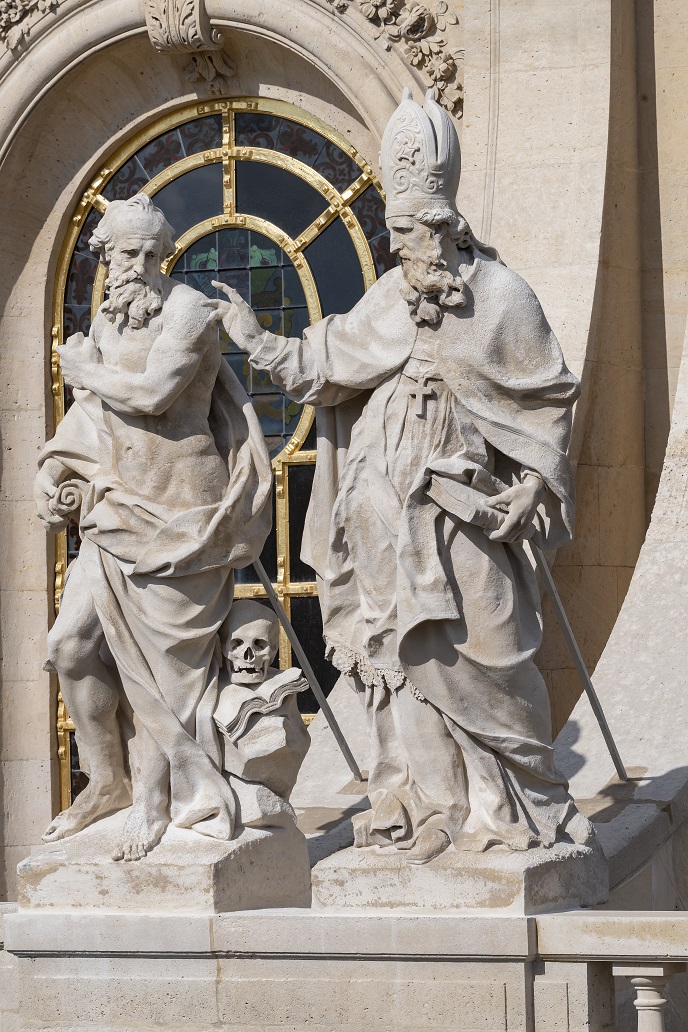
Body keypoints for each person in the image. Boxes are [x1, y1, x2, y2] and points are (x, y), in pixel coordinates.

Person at [205, 88, 594, 864]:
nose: (399, 246)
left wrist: (534, 488)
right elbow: (323, 363)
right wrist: (253, 335)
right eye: (395, 232)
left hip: (465, 519)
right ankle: (431, 808)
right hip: (384, 521)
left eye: (410, 231)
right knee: (401, 669)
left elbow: (548, 402)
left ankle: (513, 804)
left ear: (445, 229)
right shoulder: (392, 297)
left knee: (489, 657)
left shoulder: (504, 299)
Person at [35, 194, 272, 861]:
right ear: (106, 258)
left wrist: (84, 371)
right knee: (71, 646)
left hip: (181, 515)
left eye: (151, 253)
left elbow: (154, 395)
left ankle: (157, 805)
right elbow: (89, 422)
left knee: (170, 676)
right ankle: (107, 782)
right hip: (113, 512)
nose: (140, 265)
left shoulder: (188, 311)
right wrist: (51, 484)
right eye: (126, 253)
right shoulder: (107, 324)